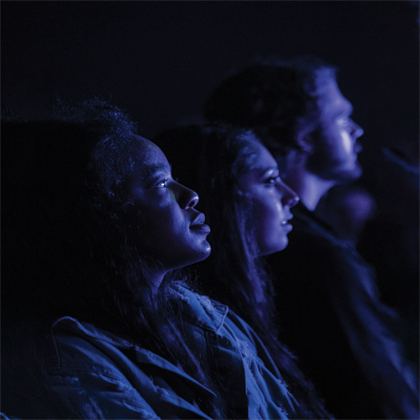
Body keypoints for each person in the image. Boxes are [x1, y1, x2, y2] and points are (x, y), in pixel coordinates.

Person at [2, 100, 316, 419]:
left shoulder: (211, 318)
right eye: (160, 183)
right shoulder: (63, 360)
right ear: (95, 215)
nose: (190, 194)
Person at [202, 56, 419, 419]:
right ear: (302, 135)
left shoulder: (285, 240)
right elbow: (377, 388)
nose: (356, 129)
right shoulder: (315, 253)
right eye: (340, 118)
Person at [154, 124, 331, 419]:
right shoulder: (196, 322)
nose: (291, 196)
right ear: (219, 192)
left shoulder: (236, 304)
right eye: (270, 180)